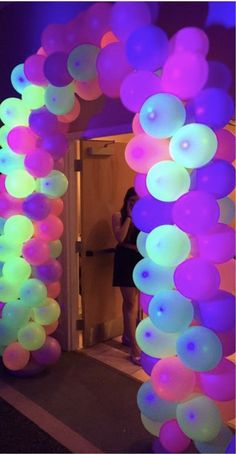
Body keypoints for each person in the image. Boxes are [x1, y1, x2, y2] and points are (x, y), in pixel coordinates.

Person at [112, 187, 142, 366]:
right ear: (126, 200)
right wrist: (129, 217)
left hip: (141, 261)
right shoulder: (118, 216)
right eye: (132, 201)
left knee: (134, 302)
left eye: (138, 201)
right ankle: (134, 350)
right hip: (125, 260)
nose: (135, 204)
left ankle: (126, 336)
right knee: (130, 303)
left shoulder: (144, 216)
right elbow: (120, 238)